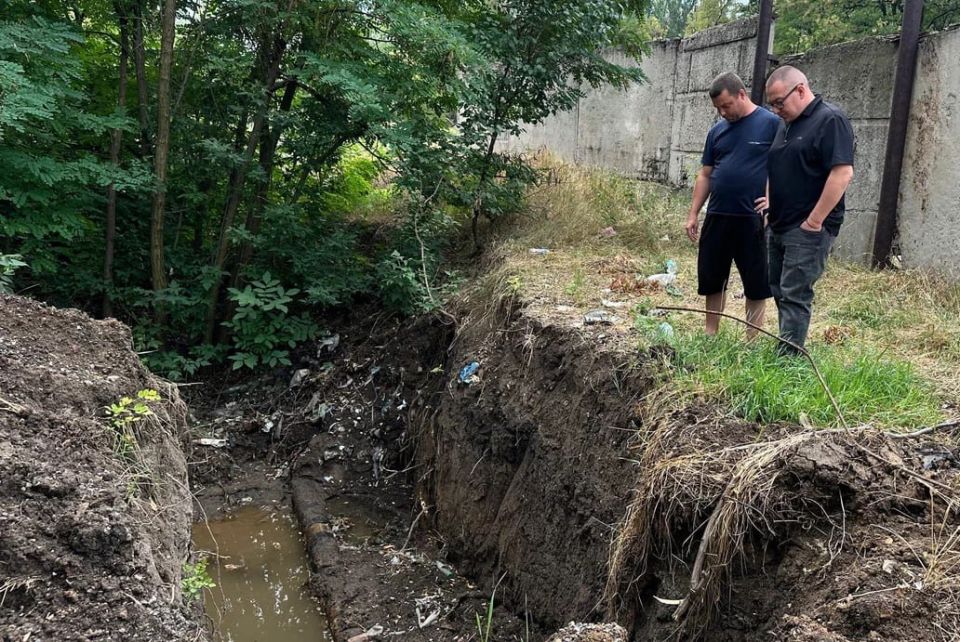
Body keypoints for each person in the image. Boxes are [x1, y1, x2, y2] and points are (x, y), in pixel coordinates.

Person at [759, 65, 854, 354]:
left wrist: (814, 221)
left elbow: (842, 173)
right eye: (771, 104)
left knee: (795, 293)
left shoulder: (830, 120)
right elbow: (778, 166)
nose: (775, 110)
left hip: (807, 229)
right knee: (777, 287)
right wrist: (770, 205)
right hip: (779, 224)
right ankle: (788, 343)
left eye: (779, 102)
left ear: (800, 90)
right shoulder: (786, 124)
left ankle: (788, 359)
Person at [685, 72, 779, 339]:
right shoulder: (716, 132)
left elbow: (779, 166)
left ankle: (752, 338)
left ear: (741, 94)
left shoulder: (771, 123)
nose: (723, 112)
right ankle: (710, 332)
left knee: (756, 280)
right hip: (718, 214)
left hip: (753, 216)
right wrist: (693, 213)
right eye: (718, 108)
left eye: (726, 106)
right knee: (712, 276)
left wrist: (772, 200)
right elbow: (705, 174)